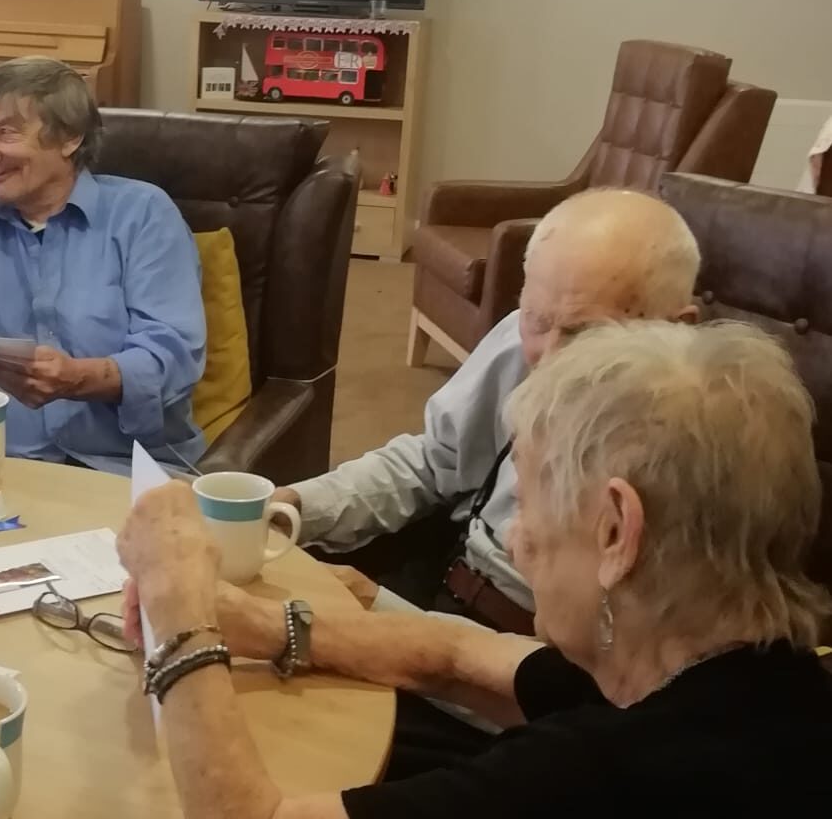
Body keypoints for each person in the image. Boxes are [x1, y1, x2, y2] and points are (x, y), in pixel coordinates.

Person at [115, 320, 832, 819]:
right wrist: (261, 624)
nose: (515, 543)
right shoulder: (758, 680)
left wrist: (178, 594)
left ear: (617, 531)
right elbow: (465, 656)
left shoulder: (600, 785)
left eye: (535, 506)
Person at [274, 189, 701, 631]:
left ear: (675, 328)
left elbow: (583, 676)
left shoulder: (699, 472)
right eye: (535, 319)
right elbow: (433, 462)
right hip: (441, 576)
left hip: (521, 654)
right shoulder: (518, 345)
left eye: (586, 334)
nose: (548, 358)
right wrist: (298, 505)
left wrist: (383, 619)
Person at [0, 56, 206, 473]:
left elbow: (173, 357)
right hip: (1, 467)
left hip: (123, 469)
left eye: (5, 132)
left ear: (68, 138)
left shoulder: (142, 214)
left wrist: (78, 378)